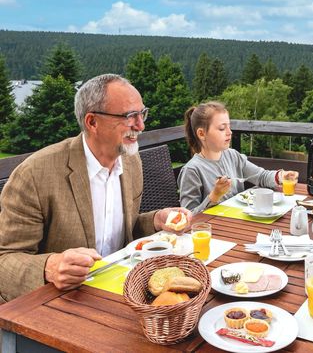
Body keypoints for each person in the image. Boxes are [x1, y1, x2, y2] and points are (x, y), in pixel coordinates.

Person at [0, 74, 191, 303]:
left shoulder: (130, 161)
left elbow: (122, 230)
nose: (140, 126)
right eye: (130, 116)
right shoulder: (34, 174)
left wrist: (156, 220)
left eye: (142, 113)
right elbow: (5, 259)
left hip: (122, 290)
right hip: (61, 303)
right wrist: (48, 268)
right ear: (92, 122)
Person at [178, 101, 299, 214]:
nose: (229, 132)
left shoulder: (233, 156)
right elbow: (188, 216)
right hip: (213, 230)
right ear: (201, 134)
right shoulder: (192, 170)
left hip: (239, 221)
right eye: (222, 128)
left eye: (229, 127)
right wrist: (214, 196)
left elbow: (260, 176)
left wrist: (281, 176)